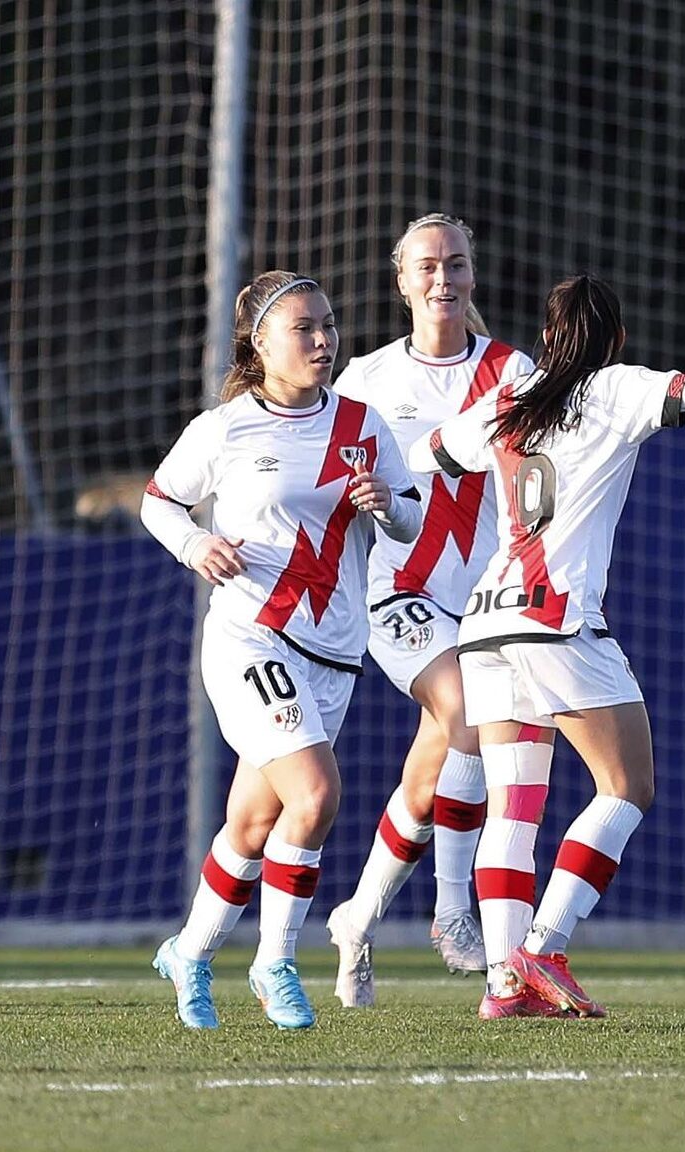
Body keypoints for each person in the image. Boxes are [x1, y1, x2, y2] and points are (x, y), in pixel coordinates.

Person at [408, 272, 685, 1018]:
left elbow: (428, 453)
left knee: (514, 810)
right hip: (557, 622)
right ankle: (547, 944)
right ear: (616, 339)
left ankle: (505, 986)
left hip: (487, 622)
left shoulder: (507, 401)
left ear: (546, 338)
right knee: (627, 786)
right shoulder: (615, 387)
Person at [142, 270, 423, 1030]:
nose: (323, 340)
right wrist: (196, 541)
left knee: (254, 827)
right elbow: (158, 500)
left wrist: (387, 507)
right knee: (317, 795)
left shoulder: (364, 424)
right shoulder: (226, 427)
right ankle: (277, 963)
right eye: (303, 328)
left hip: (333, 655)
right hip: (250, 637)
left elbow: (412, 521)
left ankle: (191, 955)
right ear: (260, 342)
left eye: (327, 325)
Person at [324, 214, 536, 1006]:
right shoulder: (367, 381)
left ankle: (355, 918)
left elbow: (544, 474)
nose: (442, 279)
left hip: (486, 597)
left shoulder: (514, 371)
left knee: (429, 774)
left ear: (473, 276)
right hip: (397, 592)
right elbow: (324, 481)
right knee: (470, 717)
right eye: (427, 267)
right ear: (402, 281)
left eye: (455, 265)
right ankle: (453, 912)